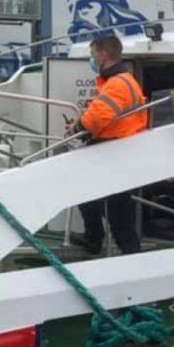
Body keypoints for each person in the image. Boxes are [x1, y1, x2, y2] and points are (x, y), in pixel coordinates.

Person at [65, 33, 149, 255]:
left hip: (115, 150)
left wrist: (77, 127)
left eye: (93, 54)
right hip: (119, 148)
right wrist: (84, 124)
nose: (92, 60)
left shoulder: (117, 83)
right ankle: (97, 240)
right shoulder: (122, 81)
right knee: (94, 196)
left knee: (117, 209)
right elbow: (106, 114)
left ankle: (127, 254)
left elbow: (99, 116)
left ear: (103, 55)